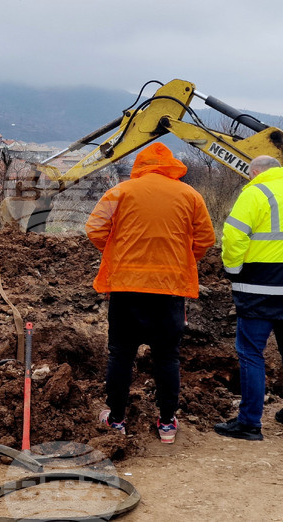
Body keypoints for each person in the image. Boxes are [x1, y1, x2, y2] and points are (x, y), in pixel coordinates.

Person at [86, 142, 215, 444]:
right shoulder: (190, 195)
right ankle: (167, 424)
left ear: (140, 165)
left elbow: (95, 229)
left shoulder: (120, 192)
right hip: (170, 291)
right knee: (167, 357)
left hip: (126, 288)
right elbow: (205, 238)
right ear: (171, 166)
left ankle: (117, 420)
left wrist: (117, 252)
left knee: (121, 355)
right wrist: (182, 259)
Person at [214, 155, 283, 441]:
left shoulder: (255, 193)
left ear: (254, 172)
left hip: (259, 287)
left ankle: (249, 423)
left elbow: (233, 235)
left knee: (251, 352)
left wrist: (233, 270)